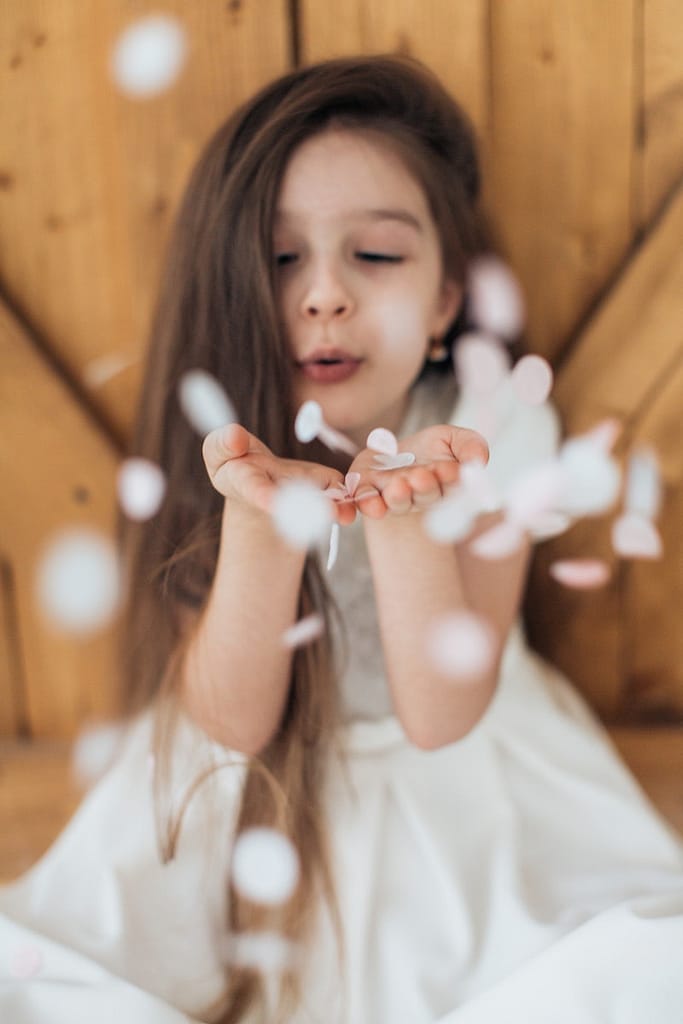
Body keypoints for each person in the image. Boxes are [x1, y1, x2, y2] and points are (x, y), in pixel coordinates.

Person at [1, 54, 683, 1024]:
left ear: (446, 298)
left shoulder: (497, 423)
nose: (325, 293)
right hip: (247, 788)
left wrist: (403, 518)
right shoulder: (220, 428)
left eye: (375, 254)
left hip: (467, 774)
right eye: (282, 260)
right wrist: (259, 520)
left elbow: (443, 712)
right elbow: (230, 722)